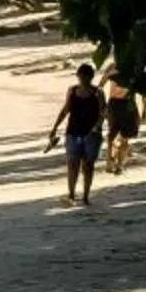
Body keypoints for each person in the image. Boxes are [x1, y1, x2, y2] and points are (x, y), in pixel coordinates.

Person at [45, 61, 105, 205]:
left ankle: (85, 196)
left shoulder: (98, 93)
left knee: (88, 166)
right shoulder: (72, 91)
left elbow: (102, 113)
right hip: (73, 131)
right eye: (80, 77)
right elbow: (65, 110)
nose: (83, 80)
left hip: (91, 134)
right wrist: (55, 127)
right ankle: (71, 194)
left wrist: (96, 128)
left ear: (91, 77)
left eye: (85, 77)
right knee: (72, 164)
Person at [105, 70, 143, 173]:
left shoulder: (134, 69)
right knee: (115, 137)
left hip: (122, 104)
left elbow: (144, 91)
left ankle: (117, 164)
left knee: (119, 137)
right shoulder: (117, 68)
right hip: (118, 104)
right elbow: (101, 84)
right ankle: (114, 163)